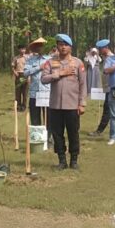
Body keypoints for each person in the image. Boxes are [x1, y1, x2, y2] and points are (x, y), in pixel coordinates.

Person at [40, 34, 87, 170]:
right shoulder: (50, 62)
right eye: (60, 44)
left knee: (73, 133)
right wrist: (59, 74)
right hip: (55, 105)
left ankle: (74, 160)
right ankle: (61, 160)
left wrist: (82, 103)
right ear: (57, 46)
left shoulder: (78, 63)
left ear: (70, 47)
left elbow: (83, 85)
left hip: (72, 105)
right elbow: (43, 79)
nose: (63, 47)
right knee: (57, 134)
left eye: (66, 44)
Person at [23, 38, 51, 125]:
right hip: (34, 93)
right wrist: (39, 68)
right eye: (37, 46)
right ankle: (36, 136)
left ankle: (48, 136)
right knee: (35, 118)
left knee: (48, 117)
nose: (40, 48)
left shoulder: (51, 59)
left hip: (47, 93)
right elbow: (25, 73)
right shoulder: (30, 60)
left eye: (41, 46)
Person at [90, 39, 114, 137]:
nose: (99, 51)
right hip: (107, 88)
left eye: (100, 49)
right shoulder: (105, 58)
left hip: (111, 88)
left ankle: (99, 131)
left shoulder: (111, 58)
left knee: (107, 110)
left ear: (105, 48)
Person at [12, 45, 28, 112]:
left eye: (23, 49)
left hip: (25, 75)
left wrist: (29, 76)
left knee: (24, 92)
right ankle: (18, 106)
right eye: (21, 49)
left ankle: (24, 106)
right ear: (19, 50)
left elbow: (30, 67)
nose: (22, 51)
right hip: (18, 75)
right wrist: (14, 72)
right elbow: (13, 66)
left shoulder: (27, 57)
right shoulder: (16, 58)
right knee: (18, 91)